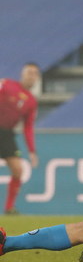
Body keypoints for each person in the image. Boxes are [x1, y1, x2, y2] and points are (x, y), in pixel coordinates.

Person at [0, 63, 40, 215]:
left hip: (7, 135)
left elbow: (28, 127)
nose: (31, 75)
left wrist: (32, 151)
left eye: (34, 73)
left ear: (37, 78)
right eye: (29, 72)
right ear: (22, 74)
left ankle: (9, 208)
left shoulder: (31, 101)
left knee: (18, 170)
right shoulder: (7, 84)